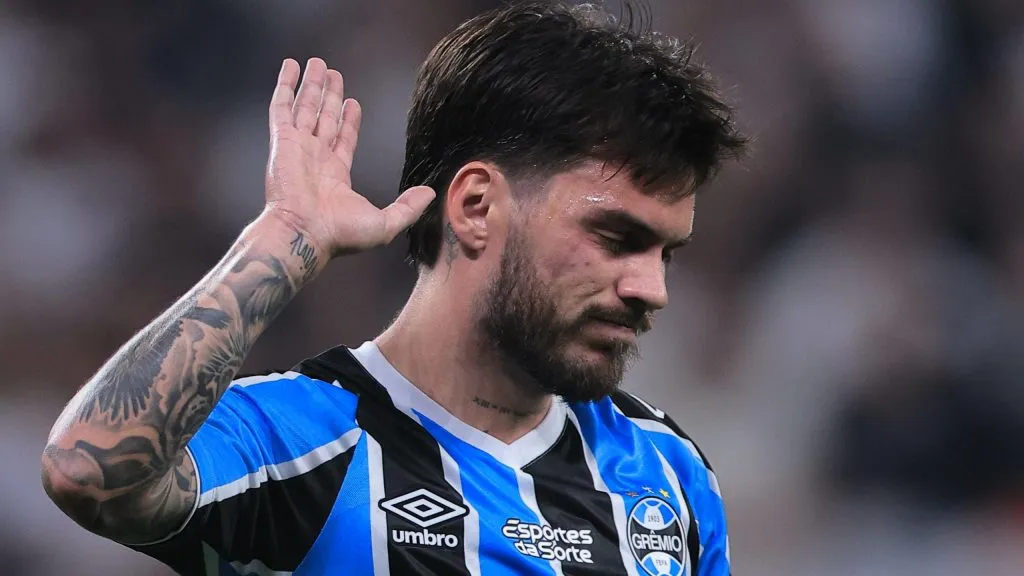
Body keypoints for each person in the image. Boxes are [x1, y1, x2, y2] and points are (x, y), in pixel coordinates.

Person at [41, 2, 746, 575]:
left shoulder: (666, 472)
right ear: (475, 208)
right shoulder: (304, 441)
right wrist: (284, 236)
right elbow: (89, 471)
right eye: (617, 239)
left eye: (666, 253)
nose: (651, 288)